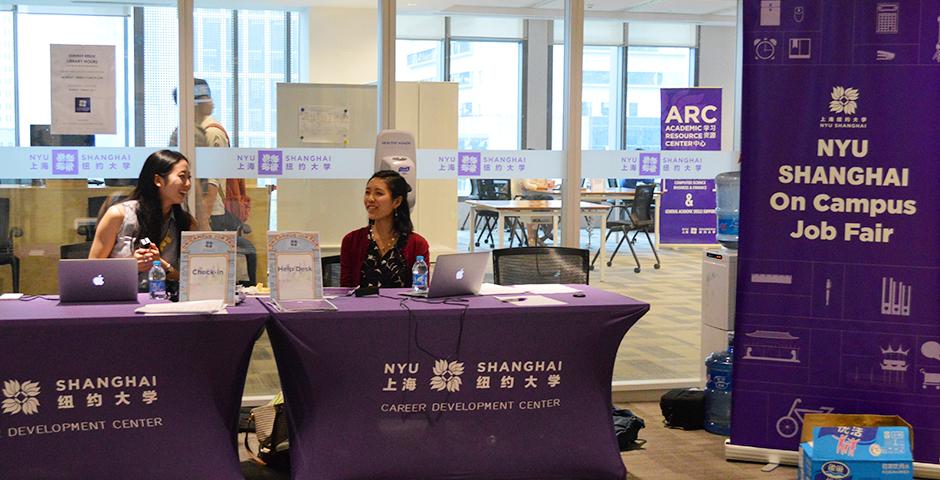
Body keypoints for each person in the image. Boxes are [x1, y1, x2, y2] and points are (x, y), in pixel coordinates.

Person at [169, 78, 257, 286]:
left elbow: (213, 180)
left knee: (210, 268)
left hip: (210, 212)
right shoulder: (189, 131)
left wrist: (204, 218)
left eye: (207, 94)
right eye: (202, 96)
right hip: (197, 210)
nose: (209, 100)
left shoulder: (210, 131)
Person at [89, 150, 194, 286]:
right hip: (119, 299)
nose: (188, 184)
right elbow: (91, 268)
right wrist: (130, 265)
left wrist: (161, 264)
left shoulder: (186, 222)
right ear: (158, 180)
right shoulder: (118, 215)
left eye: (189, 177)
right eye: (182, 177)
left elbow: (190, 281)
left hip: (165, 302)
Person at [340, 170, 429, 288]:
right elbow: (345, 290)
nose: (370, 199)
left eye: (378, 193)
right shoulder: (351, 240)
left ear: (397, 202)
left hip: (402, 306)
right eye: (367, 192)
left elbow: (421, 290)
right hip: (361, 306)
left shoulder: (417, 244)